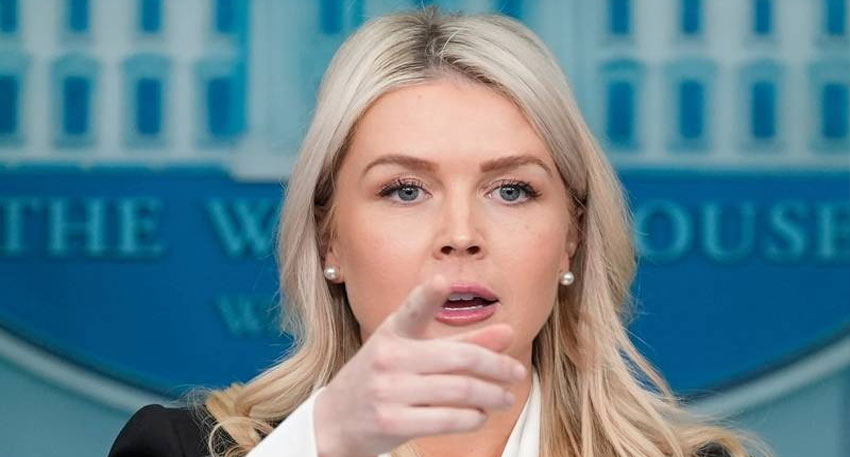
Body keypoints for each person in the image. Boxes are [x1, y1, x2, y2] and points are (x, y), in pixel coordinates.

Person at [107, 6, 773, 457]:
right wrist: (328, 440)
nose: (461, 234)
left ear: (572, 236)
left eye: (512, 189)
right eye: (405, 189)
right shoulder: (175, 448)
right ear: (329, 240)